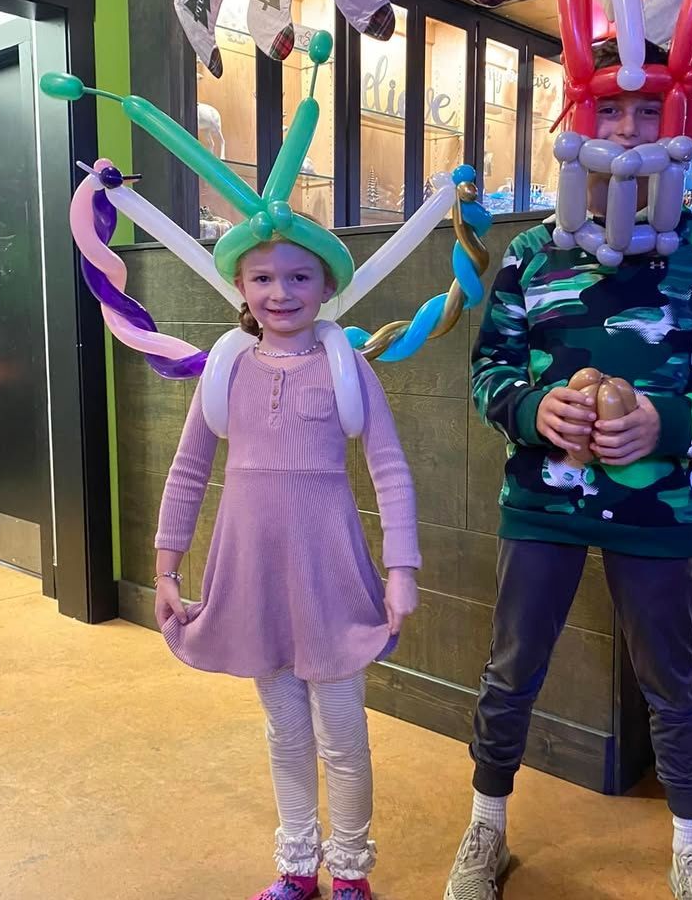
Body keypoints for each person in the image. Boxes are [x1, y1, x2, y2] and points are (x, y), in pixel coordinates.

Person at [449, 0, 692, 900]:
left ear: (672, 124)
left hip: (659, 506)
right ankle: (486, 827)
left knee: (672, 680)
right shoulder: (531, 251)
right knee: (510, 671)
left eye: (644, 114)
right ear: (582, 123)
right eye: (611, 114)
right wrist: (532, 410)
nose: (627, 132)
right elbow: (490, 370)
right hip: (540, 501)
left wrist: (667, 423)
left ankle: (691, 840)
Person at [154, 236, 419, 900]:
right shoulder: (225, 371)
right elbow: (188, 471)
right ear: (240, 285)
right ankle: (297, 865)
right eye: (263, 277)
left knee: (342, 732)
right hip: (251, 575)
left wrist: (401, 568)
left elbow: (389, 469)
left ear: (327, 286)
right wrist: (167, 566)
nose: (281, 292)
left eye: (300, 276)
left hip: (328, 574)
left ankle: (351, 871)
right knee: (284, 728)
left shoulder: (347, 368)